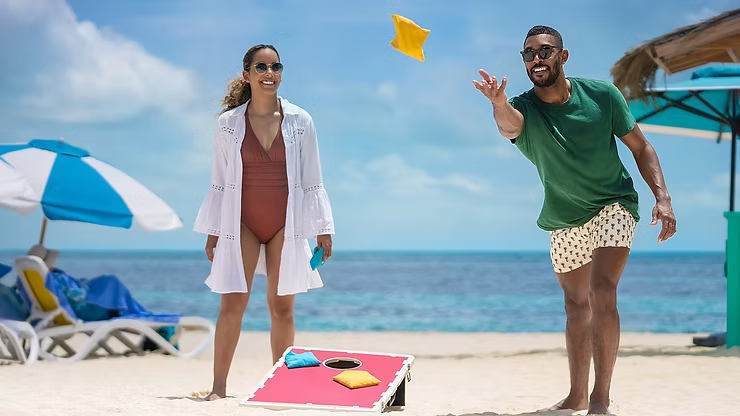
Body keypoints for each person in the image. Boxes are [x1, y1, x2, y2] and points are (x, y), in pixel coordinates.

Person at [473, 26, 676, 414]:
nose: (536, 59)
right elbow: (509, 126)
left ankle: (600, 400)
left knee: (602, 291)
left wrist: (662, 198)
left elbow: (641, 146)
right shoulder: (523, 107)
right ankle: (577, 396)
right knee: (574, 306)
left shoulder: (603, 95)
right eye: (529, 53)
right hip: (563, 218)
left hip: (613, 203)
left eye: (545, 51)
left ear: (562, 57)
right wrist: (498, 102)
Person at [193, 44, 336, 401]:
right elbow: (219, 179)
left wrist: (323, 227)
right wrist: (213, 231)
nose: (269, 73)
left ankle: (282, 387)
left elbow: (314, 177)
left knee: (282, 308)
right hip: (240, 222)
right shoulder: (228, 124)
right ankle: (219, 389)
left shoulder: (301, 121)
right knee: (232, 304)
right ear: (247, 74)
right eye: (261, 67)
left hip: (286, 223)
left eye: (275, 66)